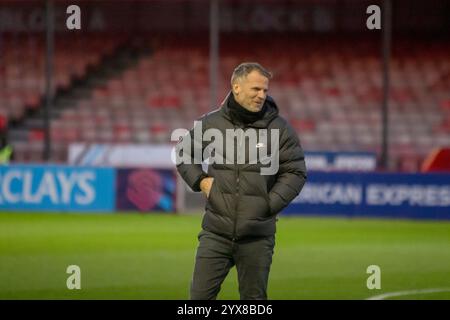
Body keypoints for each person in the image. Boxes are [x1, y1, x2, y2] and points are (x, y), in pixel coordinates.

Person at [176, 62, 307, 300]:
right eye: (256, 89)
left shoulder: (280, 128)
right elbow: (184, 154)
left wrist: (268, 204)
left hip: (257, 237)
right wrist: (202, 181)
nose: (262, 95)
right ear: (236, 87)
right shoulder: (211, 123)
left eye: (265, 90)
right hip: (215, 233)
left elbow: (295, 172)